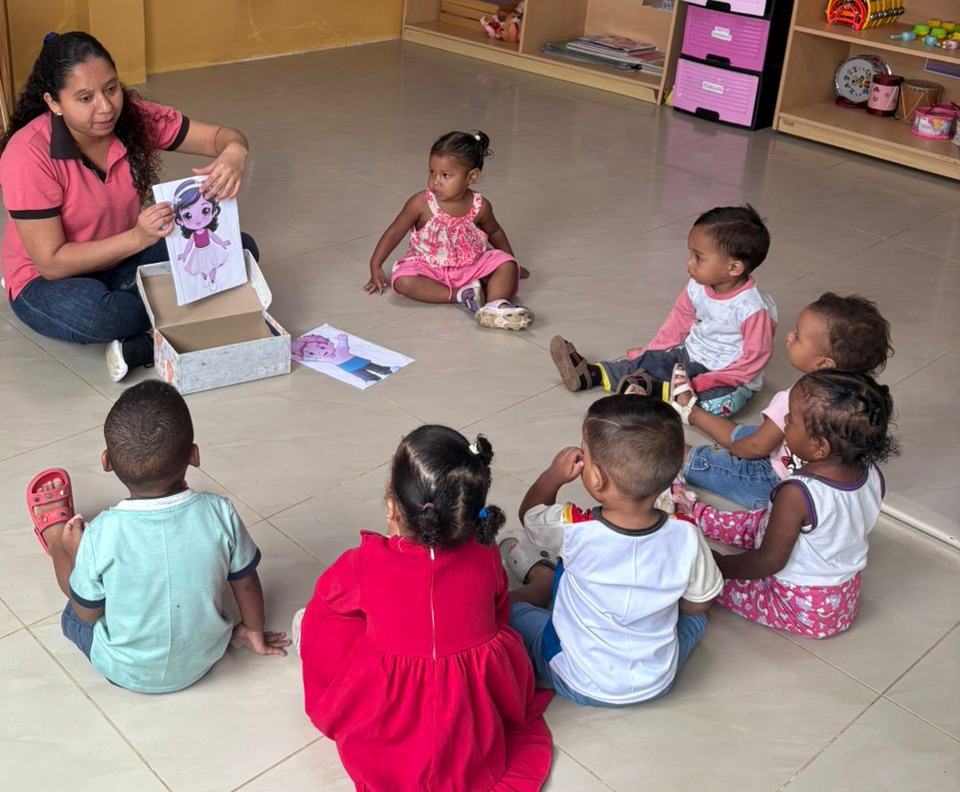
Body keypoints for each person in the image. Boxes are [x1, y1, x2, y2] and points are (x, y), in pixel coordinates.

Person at [297, 426, 552, 792]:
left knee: (320, 619)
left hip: (390, 710)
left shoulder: (365, 563)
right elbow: (497, 611)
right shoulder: (486, 555)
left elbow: (327, 602)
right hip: (472, 709)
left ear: (392, 508)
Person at [0, 31, 258, 382]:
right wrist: (138, 237)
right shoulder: (28, 154)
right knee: (105, 315)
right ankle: (174, 316)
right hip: (46, 280)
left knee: (240, 250)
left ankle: (147, 338)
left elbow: (221, 137)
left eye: (111, 89)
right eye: (85, 98)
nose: (105, 107)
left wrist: (235, 152)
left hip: (123, 258)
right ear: (54, 102)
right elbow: (52, 263)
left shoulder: (135, 120)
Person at [24, 379, 288, 692]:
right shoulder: (220, 512)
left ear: (106, 462)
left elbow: (87, 613)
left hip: (125, 671)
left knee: (75, 607)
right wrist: (253, 630)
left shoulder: (101, 533)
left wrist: (79, 554)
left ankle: (57, 542)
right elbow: (246, 582)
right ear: (194, 456)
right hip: (204, 658)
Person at [501, 395, 722, 707]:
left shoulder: (572, 527)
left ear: (596, 477)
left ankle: (541, 581)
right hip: (657, 681)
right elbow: (698, 603)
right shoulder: (687, 533)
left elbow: (529, 514)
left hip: (577, 678)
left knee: (509, 613)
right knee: (699, 620)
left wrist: (553, 476)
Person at [674, 370, 895, 639]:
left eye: (791, 419)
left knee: (699, 581)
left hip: (797, 605)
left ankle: (692, 518)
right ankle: (697, 515)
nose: (785, 420)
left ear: (819, 447)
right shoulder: (872, 474)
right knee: (762, 520)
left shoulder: (798, 493)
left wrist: (718, 565)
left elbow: (768, 561)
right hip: (838, 600)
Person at [549, 203, 775, 416]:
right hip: (689, 356)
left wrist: (706, 381)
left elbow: (752, 362)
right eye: (691, 254)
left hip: (728, 376)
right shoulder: (697, 286)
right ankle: (592, 374)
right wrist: (649, 352)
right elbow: (677, 323)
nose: (689, 263)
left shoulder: (753, 309)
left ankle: (654, 389)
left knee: (717, 402)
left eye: (698, 257)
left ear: (734, 267)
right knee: (650, 362)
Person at [675, 293, 892, 509]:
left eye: (797, 336)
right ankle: (692, 413)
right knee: (753, 435)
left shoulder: (797, 398)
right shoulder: (863, 400)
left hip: (774, 482)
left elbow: (756, 447)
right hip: (802, 468)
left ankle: (672, 447)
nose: (789, 336)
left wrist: (736, 450)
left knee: (719, 461)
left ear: (825, 364)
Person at [362, 130, 532, 331]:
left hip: (472, 265)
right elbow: (394, 232)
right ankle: (461, 295)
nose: (436, 181)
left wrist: (512, 261)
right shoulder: (420, 203)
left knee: (505, 265)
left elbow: (495, 233)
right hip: (429, 268)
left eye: (446, 175)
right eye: (431, 172)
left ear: (471, 176)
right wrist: (376, 263)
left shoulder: (480, 206)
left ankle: (495, 306)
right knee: (402, 281)